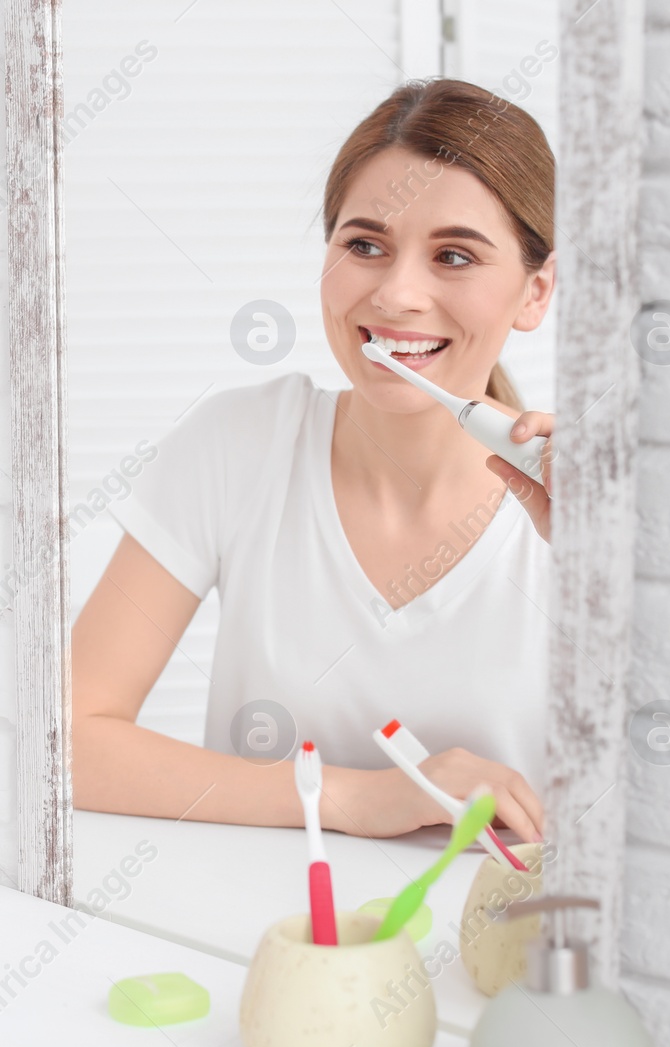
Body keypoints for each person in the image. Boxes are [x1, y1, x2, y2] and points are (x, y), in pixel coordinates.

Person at [71, 79, 556, 844]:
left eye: (454, 256)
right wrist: (355, 799)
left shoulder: (588, 506)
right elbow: (65, 739)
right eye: (365, 245)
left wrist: (608, 565)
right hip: (264, 942)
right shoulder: (239, 444)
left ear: (536, 291)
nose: (396, 294)